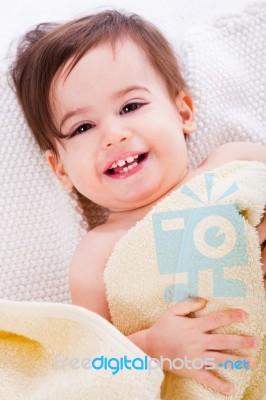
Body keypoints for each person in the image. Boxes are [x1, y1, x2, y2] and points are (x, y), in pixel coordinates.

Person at [11, 10, 266, 396]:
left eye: (130, 107)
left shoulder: (233, 162)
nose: (113, 135)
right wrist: (154, 345)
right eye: (82, 127)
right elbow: (93, 362)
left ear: (183, 112)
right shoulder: (96, 255)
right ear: (60, 168)